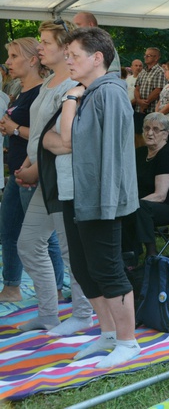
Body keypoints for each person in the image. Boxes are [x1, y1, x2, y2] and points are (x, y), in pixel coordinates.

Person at [59, 27, 140, 368]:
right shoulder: (91, 93)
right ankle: (108, 334)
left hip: (102, 199)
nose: (68, 61)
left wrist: (107, 202)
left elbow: (113, 153)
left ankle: (128, 342)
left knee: (108, 269)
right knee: (83, 267)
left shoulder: (110, 92)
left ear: (97, 58)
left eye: (74, 55)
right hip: (82, 196)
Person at [16, 21, 95, 334]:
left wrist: (35, 166)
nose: (40, 47)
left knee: (69, 248)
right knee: (28, 243)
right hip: (45, 175)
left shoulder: (71, 87)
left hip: (63, 177)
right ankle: (48, 313)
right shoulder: (50, 81)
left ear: (65, 49)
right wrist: (28, 161)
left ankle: (82, 314)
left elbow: (65, 137)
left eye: (46, 42)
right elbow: (38, 131)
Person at [0, 38, 63, 304]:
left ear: (33, 60)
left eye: (14, 56)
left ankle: (57, 289)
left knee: (42, 237)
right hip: (17, 169)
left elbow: (43, 135)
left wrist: (13, 128)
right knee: (9, 229)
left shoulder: (41, 91)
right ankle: (12, 285)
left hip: (33, 172)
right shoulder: (21, 90)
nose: (8, 62)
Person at [122, 112, 169, 257]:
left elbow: (160, 195)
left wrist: (132, 203)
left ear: (166, 134)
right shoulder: (140, 153)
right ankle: (129, 254)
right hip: (144, 205)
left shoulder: (167, 155)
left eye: (156, 129)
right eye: (146, 128)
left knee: (138, 208)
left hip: (168, 207)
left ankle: (151, 253)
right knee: (124, 207)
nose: (150, 133)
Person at [134, 48, 165, 115]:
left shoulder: (160, 72)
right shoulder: (143, 71)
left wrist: (145, 103)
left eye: (148, 56)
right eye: (145, 55)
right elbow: (137, 88)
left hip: (151, 110)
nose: (145, 57)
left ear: (156, 58)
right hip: (138, 109)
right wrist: (139, 101)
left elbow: (158, 90)